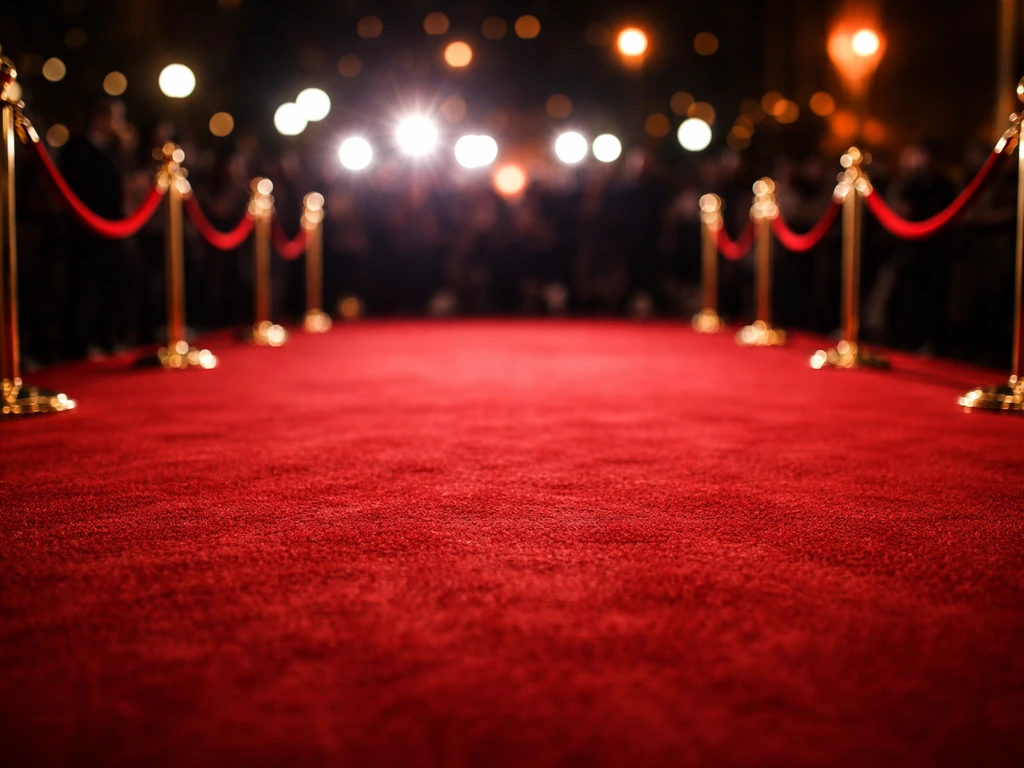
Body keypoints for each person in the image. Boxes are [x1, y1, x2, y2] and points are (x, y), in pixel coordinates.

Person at [59, 98, 128, 359]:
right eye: (116, 117)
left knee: (108, 285)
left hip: (109, 229)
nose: (119, 125)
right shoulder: (78, 148)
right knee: (84, 286)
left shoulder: (111, 150)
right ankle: (80, 343)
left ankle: (105, 337)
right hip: (85, 229)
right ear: (100, 118)